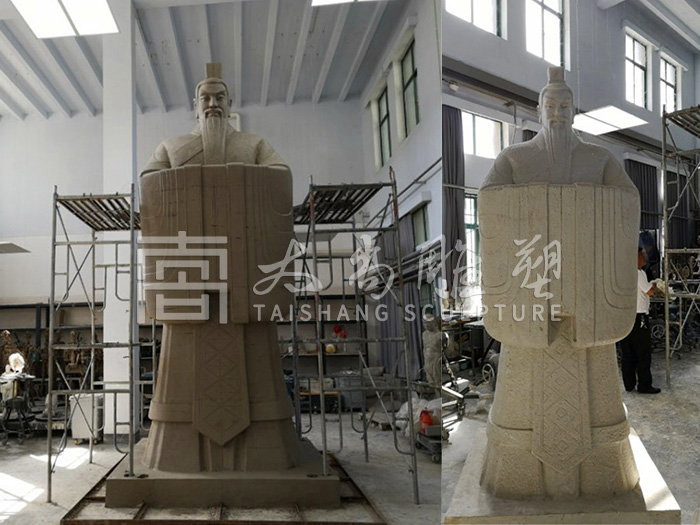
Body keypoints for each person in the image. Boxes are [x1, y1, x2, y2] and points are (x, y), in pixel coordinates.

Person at [477, 67, 642, 498]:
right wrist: (539, 204)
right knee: (520, 398)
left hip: (588, 299)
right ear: (539, 110)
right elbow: (489, 202)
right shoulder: (514, 159)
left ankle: (600, 470)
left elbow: (628, 200)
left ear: (575, 110)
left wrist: (583, 206)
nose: (558, 114)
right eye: (550, 106)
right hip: (531, 296)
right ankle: (518, 470)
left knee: (599, 390)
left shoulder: (600, 160)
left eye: (565, 106)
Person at [141, 74, 284, 176]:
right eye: (205, 98)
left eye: (220, 98)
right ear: (196, 107)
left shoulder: (255, 144)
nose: (213, 104)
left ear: (229, 105)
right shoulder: (168, 147)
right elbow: (148, 179)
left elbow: (281, 174)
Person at [619, 248, 661, 394]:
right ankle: (644, 384)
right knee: (643, 352)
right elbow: (649, 291)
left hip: (625, 315)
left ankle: (629, 384)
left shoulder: (623, 273)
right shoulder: (638, 273)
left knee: (627, 351)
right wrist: (655, 285)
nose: (645, 257)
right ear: (634, 258)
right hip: (639, 315)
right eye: (641, 255)